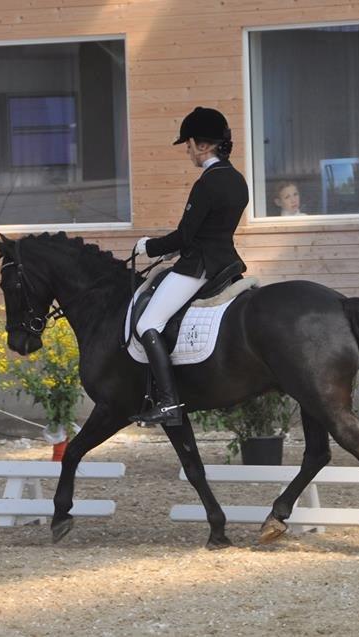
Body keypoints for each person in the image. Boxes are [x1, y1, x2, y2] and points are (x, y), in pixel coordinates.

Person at [130, 106, 249, 427]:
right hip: (226, 260)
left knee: (147, 323)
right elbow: (211, 229)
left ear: (204, 145)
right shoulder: (237, 180)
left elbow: (185, 233)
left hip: (200, 266)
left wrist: (150, 246)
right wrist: (176, 251)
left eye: (189, 143)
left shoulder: (207, 183)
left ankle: (168, 403)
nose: (187, 150)